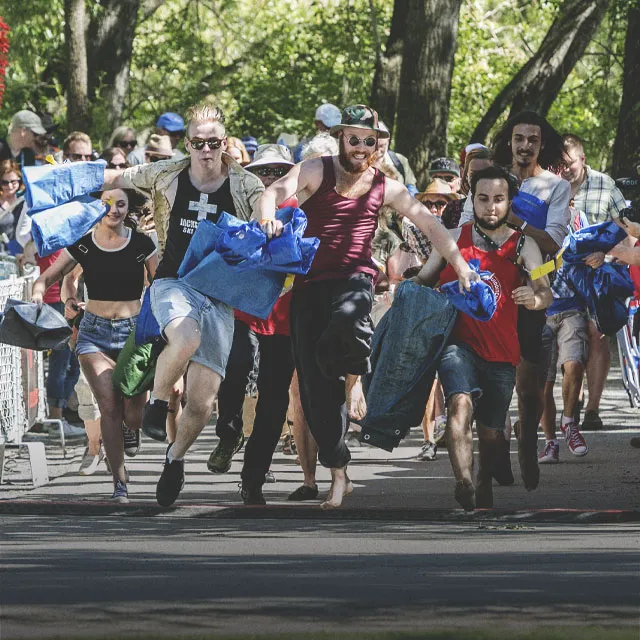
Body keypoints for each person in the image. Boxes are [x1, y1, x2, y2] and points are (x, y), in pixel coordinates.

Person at [256, 104, 478, 509]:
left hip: (354, 280)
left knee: (350, 317)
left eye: (368, 141)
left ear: (378, 146)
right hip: (308, 287)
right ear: (341, 137)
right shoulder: (315, 170)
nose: (360, 147)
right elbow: (271, 193)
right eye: (353, 138)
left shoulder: (385, 186)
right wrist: (267, 220)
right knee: (315, 393)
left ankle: (357, 374)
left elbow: (432, 226)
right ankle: (339, 472)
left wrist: (460, 264)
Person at [101, 102, 264, 507]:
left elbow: (265, 206)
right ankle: (156, 406)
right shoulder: (167, 173)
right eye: (197, 143)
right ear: (186, 144)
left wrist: (268, 222)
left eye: (213, 143)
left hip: (219, 296)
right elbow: (116, 175)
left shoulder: (244, 184)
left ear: (224, 144)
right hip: (173, 282)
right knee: (185, 336)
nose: (205, 151)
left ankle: (174, 460)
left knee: (202, 403)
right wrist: (61, 178)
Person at [414, 165, 551, 510]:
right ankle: (463, 481)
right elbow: (424, 280)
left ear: (509, 203)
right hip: (458, 345)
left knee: (492, 433)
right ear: (471, 200)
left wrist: (533, 299)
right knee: (459, 404)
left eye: (499, 199)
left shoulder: (525, 245)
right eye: (483, 198)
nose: (491, 206)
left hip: (504, 353)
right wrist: (403, 294)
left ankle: (482, 480)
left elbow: (545, 293)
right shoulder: (450, 240)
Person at [460, 111, 571, 491]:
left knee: (528, 391)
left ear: (542, 145)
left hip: (532, 297)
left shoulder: (555, 187)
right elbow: (464, 227)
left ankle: (526, 437)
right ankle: (485, 474)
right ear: (509, 141)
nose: (525, 146)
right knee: (487, 390)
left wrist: (512, 221)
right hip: (487, 299)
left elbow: (554, 241)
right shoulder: (488, 182)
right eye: (519, 138)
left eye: (533, 140)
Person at [31, 188, 158, 503]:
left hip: (134, 335)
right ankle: (120, 484)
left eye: (120, 205)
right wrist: (47, 296)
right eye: (106, 204)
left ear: (128, 209)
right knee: (109, 407)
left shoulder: (143, 244)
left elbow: (162, 284)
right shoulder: (84, 244)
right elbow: (52, 278)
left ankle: (131, 430)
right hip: (93, 334)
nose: (113, 210)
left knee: (133, 416)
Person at [207, 144, 297, 504]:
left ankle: (253, 479)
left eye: (279, 172)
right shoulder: (238, 205)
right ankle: (228, 433)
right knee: (234, 369)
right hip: (242, 311)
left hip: (285, 320)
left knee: (274, 402)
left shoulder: (299, 210)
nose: (271, 178)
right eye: (265, 171)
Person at [561, 133, 628, 431]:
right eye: (560, 165)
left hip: (599, 274)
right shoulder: (553, 185)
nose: (565, 170)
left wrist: (605, 253)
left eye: (570, 164)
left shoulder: (605, 185)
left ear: (583, 159)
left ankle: (592, 408)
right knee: (567, 338)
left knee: (596, 332)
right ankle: (570, 401)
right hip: (563, 277)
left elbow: (626, 228)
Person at [441, 147, 492, 230]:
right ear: (466, 175)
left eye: (485, 174)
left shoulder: (507, 204)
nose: (478, 179)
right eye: (473, 174)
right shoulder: (453, 209)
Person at [0, 160, 25, 255]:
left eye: (13, 182)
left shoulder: (25, 202)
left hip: (22, 254)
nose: (9, 186)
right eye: (5, 182)